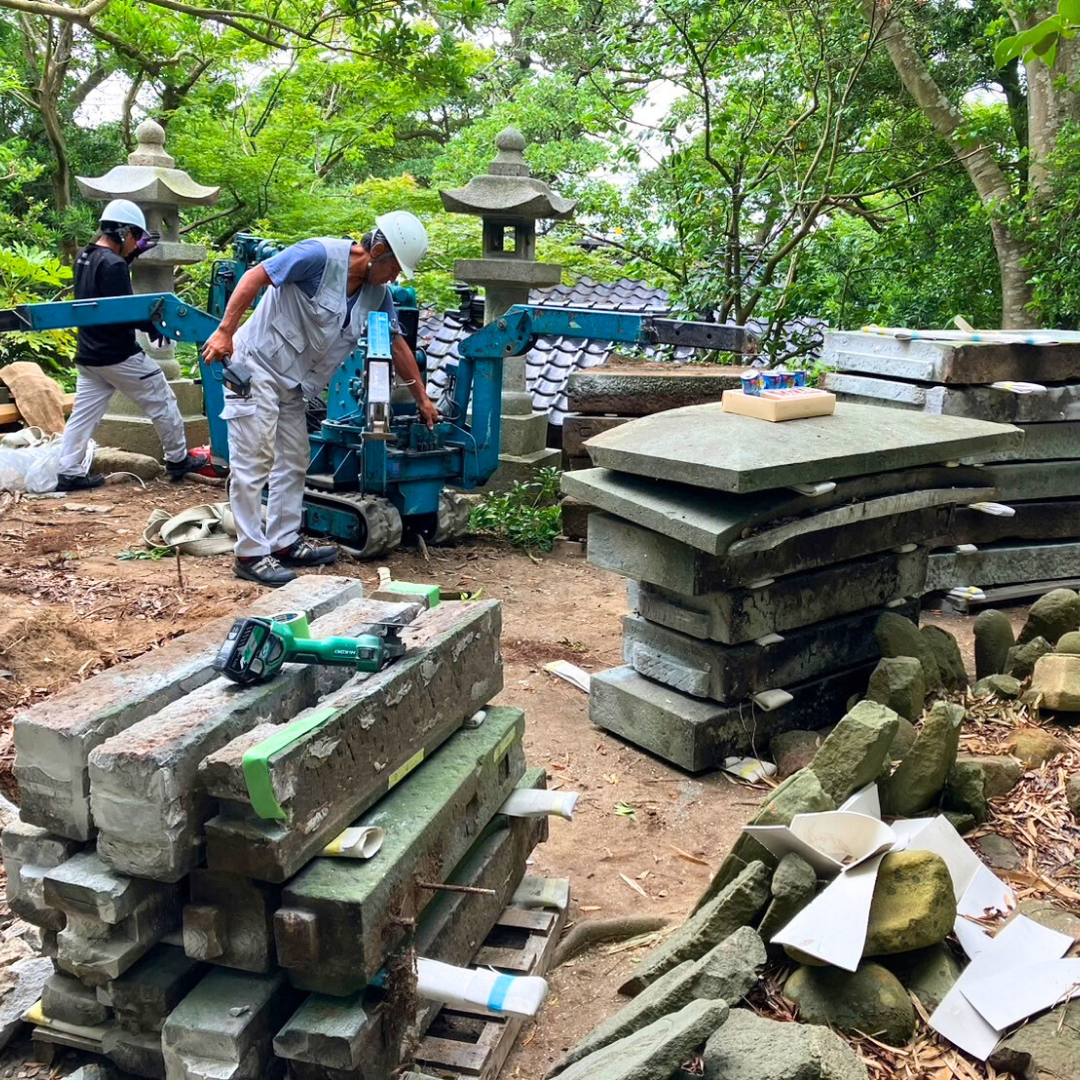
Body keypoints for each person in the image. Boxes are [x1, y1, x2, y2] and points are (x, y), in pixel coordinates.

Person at [201, 212, 438, 587]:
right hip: (256, 366)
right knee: (253, 460)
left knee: (295, 459)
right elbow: (256, 276)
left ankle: (283, 542)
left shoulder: (377, 295)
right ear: (378, 252)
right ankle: (249, 554)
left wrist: (422, 398)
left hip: (294, 384)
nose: (394, 278)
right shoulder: (318, 256)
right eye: (394, 269)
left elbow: (396, 344)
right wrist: (225, 331)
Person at [56, 199, 210, 491]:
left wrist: (134, 253)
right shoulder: (113, 264)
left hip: (89, 355)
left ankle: (69, 471)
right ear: (125, 232)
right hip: (118, 354)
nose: (136, 242)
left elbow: (104, 288)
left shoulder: (84, 256)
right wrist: (154, 327)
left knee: (84, 416)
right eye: (136, 236)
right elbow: (124, 309)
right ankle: (178, 459)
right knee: (162, 399)